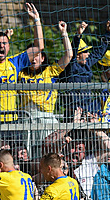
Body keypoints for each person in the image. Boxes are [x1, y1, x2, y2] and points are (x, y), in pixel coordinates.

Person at [18, 20, 73, 156]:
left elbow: (68, 55)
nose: (34, 59)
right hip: (26, 118)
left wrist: (64, 33)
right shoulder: (20, 73)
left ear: (42, 58)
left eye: (37, 56)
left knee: (48, 154)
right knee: (30, 156)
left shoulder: (49, 71)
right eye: (31, 56)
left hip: (46, 117)